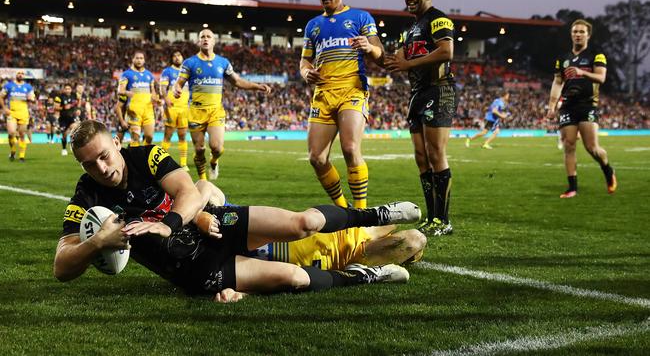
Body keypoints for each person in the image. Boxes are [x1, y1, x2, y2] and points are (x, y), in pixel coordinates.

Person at [53, 120, 420, 303]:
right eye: (89, 164)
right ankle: (364, 277)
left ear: (116, 143)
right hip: (196, 268)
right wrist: (96, 242)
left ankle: (377, 215)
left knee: (304, 222)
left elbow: (188, 190)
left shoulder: (146, 155)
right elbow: (62, 265)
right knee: (294, 278)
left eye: (104, 156)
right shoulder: (86, 194)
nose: (101, 168)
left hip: (216, 225)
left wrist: (169, 224)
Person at [197, 182, 427, 269]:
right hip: (346, 256)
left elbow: (205, 185)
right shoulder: (219, 263)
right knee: (416, 239)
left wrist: (199, 215)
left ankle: (375, 215)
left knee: (403, 219)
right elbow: (251, 280)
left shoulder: (224, 216)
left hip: (335, 226)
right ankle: (374, 271)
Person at [300, 0, 384, 209]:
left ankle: (360, 211)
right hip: (323, 94)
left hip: (351, 90)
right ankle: (343, 208)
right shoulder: (313, 25)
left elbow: (381, 54)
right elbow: (304, 62)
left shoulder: (361, 17)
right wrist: (306, 73)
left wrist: (369, 47)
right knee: (316, 158)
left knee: (349, 147)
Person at [384, 0, 456, 236]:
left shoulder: (439, 19)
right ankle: (432, 216)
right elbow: (395, 61)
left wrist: (409, 64)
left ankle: (443, 220)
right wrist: (368, 47)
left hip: (439, 90)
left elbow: (446, 52)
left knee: (436, 153)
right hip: (418, 94)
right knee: (421, 157)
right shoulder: (410, 30)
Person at [173, 29, 271, 180]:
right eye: (202, 37)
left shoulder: (222, 63)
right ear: (199, 41)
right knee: (199, 149)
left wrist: (257, 86)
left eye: (208, 37)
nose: (205, 39)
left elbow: (237, 81)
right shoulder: (190, 63)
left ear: (214, 41)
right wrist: (177, 89)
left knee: (216, 147)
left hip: (215, 111)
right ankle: (203, 180)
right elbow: (179, 83)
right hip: (195, 111)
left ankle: (214, 161)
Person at [546, 19, 616, 198]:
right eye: (575, 31)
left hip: (588, 105)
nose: (578, 34)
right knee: (569, 145)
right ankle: (572, 188)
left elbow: (601, 78)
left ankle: (608, 170)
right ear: (571, 34)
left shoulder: (596, 55)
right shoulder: (563, 59)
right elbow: (557, 82)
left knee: (592, 147)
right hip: (568, 106)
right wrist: (552, 106)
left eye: (581, 32)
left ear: (588, 35)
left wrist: (582, 72)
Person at [118, 50, 158, 147]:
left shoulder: (149, 75)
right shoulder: (126, 74)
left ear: (144, 60)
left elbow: (153, 91)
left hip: (148, 110)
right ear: (133, 59)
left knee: (149, 137)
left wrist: (156, 98)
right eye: (137, 58)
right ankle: (135, 160)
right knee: (135, 138)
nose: (139, 60)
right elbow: (120, 90)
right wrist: (127, 92)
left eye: (141, 58)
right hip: (134, 110)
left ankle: (143, 156)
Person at [160, 50, 190, 171]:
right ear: (172, 58)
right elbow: (162, 87)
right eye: (174, 56)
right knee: (168, 135)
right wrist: (166, 98)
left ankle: (183, 163)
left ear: (182, 57)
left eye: (179, 55)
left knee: (182, 136)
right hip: (172, 107)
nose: (177, 58)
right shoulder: (167, 71)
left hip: (184, 108)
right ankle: (161, 161)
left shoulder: (187, 71)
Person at [0, 70, 35, 162]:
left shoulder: (28, 87)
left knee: (22, 134)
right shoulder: (8, 85)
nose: (20, 75)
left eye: (22, 74)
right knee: (11, 132)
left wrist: (31, 99)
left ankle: (22, 157)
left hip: (24, 113)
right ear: (15, 75)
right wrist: (4, 108)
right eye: (19, 73)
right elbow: (1, 97)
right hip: (12, 112)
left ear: (24, 76)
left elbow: (33, 99)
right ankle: (13, 150)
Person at [54, 83, 79, 156]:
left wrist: (77, 109)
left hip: (72, 118)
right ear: (64, 90)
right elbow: (55, 107)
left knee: (75, 130)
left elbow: (76, 103)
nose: (68, 90)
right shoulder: (59, 97)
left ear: (71, 89)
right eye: (66, 89)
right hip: (63, 119)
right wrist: (64, 107)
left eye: (69, 89)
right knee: (64, 135)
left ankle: (74, 146)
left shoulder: (74, 95)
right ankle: (64, 149)